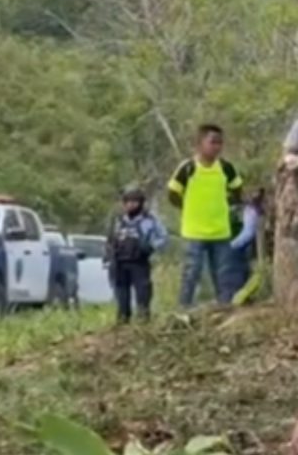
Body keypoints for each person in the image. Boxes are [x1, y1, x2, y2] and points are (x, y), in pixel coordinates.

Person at [168, 124, 243, 307]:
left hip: (220, 231)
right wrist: (187, 208)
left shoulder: (226, 168)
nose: (217, 146)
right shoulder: (187, 168)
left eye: (220, 143)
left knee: (223, 273)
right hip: (194, 232)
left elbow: (237, 189)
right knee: (191, 273)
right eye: (212, 142)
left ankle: (224, 307)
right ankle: (184, 308)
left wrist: (228, 204)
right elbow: (172, 193)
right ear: (200, 144)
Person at [104, 187, 168, 324]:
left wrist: (151, 246)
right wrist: (108, 256)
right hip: (120, 263)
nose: (130, 205)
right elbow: (110, 239)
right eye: (127, 202)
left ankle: (143, 321)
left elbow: (163, 237)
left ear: (141, 203)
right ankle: (122, 322)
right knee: (122, 296)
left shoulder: (149, 220)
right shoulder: (118, 220)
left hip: (139, 263)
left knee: (143, 294)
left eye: (134, 202)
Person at [224, 188, 265, 300]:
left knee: (241, 274)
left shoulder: (250, 211)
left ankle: (236, 298)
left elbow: (248, 233)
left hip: (245, 248)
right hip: (245, 247)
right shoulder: (248, 210)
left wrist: (232, 246)